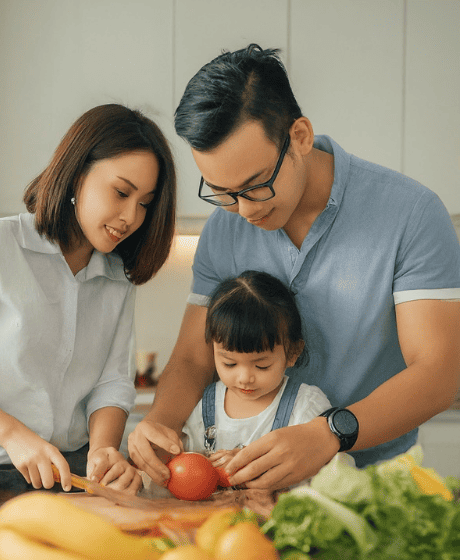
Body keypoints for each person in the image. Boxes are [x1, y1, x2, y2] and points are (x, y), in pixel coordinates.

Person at [128, 44, 460, 491]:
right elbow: (192, 356)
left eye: (255, 185)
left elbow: (439, 371)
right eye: (223, 192)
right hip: (244, 494)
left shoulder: (410, 214)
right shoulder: (223, 231)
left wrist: (329, 433)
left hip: (373, 489)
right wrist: (159, 423)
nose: (243, 211)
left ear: (299, 136)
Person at [0, 103, 177, 493]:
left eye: (144, 202)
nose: (130, 216)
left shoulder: (117, 278)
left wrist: (104, 450)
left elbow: (112, 382)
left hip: (68, 478)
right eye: (121, 192)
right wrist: (12, 435)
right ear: (76, 175)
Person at [181, 270, 332, 471]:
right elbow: (188, 464)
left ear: (293, 353)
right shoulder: (204, 405)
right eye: (230, 364)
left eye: (262, 366)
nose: (245, 378)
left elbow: (330, 472)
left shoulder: (305, 407)